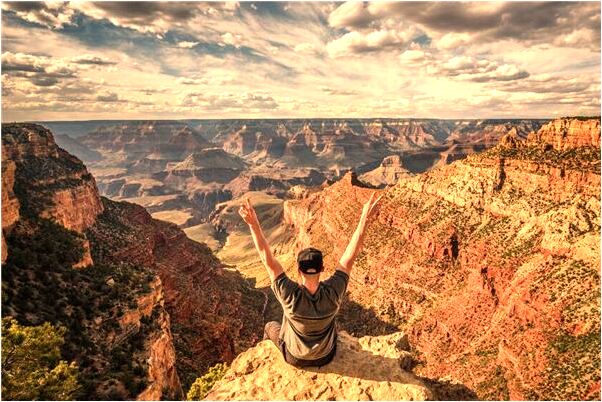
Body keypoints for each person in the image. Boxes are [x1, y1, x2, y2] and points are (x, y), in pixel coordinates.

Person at [238, 191, 383, 367]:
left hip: (294, 358)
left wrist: (253, 224)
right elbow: (350, 256)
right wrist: (363, 221)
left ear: (298, 270)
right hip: (326, 356)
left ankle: (264, 362)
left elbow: (266, 258)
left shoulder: (288, 294)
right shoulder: (334, 291)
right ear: (322, 268)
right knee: (335, 328)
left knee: (270, 326)